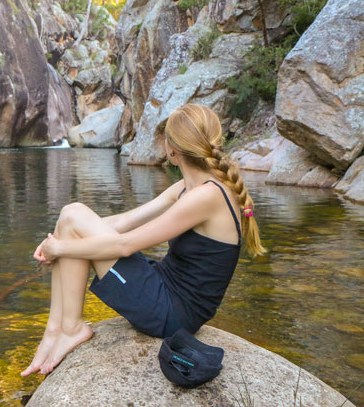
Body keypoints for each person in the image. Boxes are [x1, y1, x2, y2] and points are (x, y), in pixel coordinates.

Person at [20, 103, 265, 377]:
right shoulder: (192, 187)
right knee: (70, 217)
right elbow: (125, 222)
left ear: (172, 148)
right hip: (167, 290)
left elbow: (125, 245)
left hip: (172, 314)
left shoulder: (206, 196)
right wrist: (58, 238)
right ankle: (57, 329)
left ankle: (71, 328)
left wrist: (61, 247)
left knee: (73, 218)